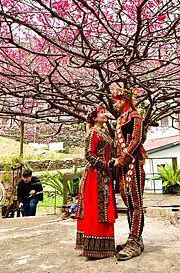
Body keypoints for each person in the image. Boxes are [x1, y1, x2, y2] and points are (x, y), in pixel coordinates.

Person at [75, 105, 117, 259]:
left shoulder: (104, 133)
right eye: (101, 113)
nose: (104, 114)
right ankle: (93, 248)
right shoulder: (92, 133)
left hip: (103, 175)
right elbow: (89, 155)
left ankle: (102, 247)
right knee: (95, 209)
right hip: (95, 176)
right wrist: (106, 165)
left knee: (103, 209)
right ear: (94, 118)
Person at [111, 87, 146, 261]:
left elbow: (136, 139)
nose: (115, 104)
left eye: (117, 101)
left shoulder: (135, 117)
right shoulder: (120, 119)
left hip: (133, 163)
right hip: (123, 166)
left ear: (124, 100)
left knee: (135, 202)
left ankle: (135, 240)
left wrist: (123, 158)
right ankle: (133, 238)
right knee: (128, 201)